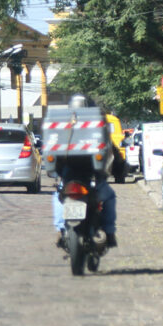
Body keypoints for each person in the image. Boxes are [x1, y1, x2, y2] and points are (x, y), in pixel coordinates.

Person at [51, 94, 118, 249]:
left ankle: (60, 229)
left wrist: (56, 170)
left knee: (57, 196)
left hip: (69, 176)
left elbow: (53, 149)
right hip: (92, 175)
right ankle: (109, 232)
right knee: (109, 196)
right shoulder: (97, 124)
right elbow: (109, 148)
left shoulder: (63, 125)